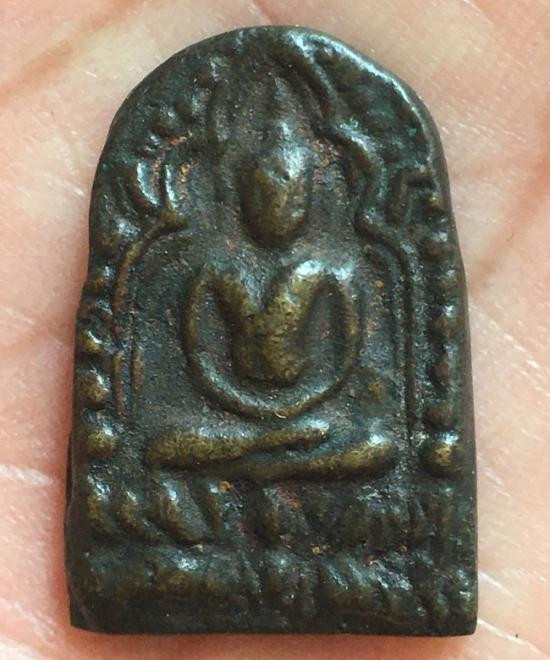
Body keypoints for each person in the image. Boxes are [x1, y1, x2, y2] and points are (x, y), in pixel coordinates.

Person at [0, 0, 548, 657]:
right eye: (265, 190)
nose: (277, 204)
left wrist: (287, 422)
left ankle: (271, 484)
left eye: (290, 190)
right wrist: (257, 422)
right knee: (169, 445)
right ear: (240, 192)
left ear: (310, 193)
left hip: (315, 429)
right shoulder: (217, 269)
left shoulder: (332, 272)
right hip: (238, 429)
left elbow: (342, 365)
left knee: (373, 447)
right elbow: (202, 363)